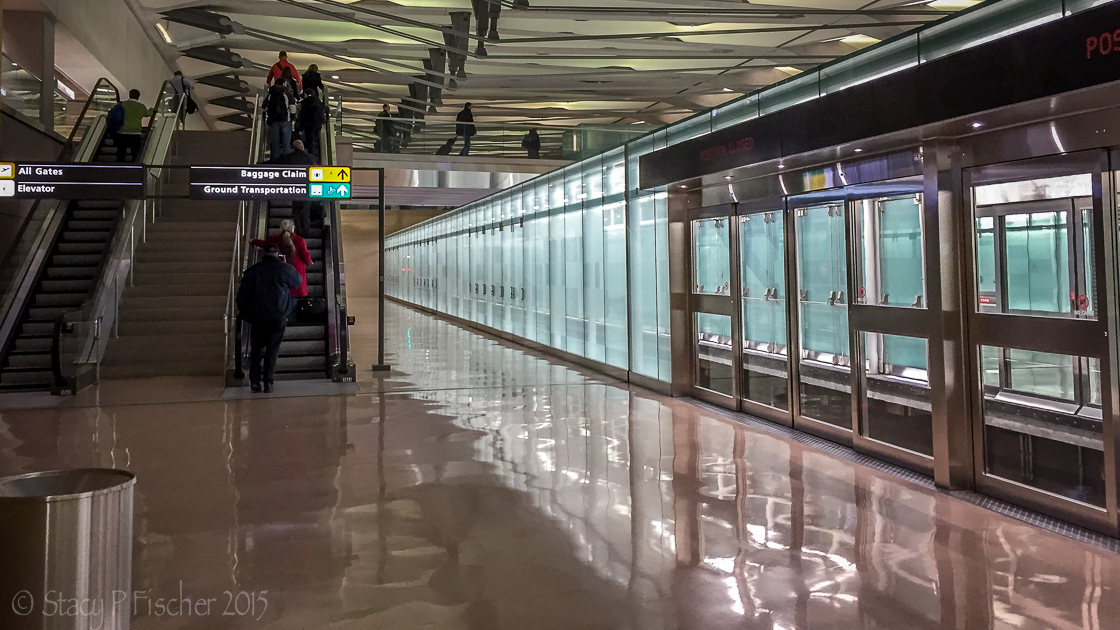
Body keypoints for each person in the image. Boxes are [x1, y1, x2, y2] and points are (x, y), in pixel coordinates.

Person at [236, 242, 302, 393]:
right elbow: (297, 282)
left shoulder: (253, 271)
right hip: (278, 317)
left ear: (263, 255)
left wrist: (246, 313)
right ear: (278, 254)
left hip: (257, 318)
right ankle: (268, 383)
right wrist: (286, 264)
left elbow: (241, 297)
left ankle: (255, 381)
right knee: (272, 350)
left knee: (256, 350)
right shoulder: (284, 269)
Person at [251, 219, 312, 301]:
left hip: (280, 269)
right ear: (292, 228)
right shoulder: (299, 240)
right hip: (296, 270)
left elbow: (265, 244)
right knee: (296, 295)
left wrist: (253, 241)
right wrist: (309, 262)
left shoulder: (274, 239)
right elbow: (305, 256)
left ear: (281, 228)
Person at [266, 140, 318, 235]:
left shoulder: (290, 157)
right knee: (306, 210)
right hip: (308, 189)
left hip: (295, 189)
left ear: (293, 148)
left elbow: (275, 162)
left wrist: (260, 164)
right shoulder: (310, 158)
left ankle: (298, 229)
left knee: (296, 210)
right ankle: (306, 230)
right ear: (302, 147)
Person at [109, 89, 153, 162]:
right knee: (135, 151)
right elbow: (147, 114)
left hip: (122, 131)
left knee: (121, 150)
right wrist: (152, 109)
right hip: (135, 132)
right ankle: (134, 166)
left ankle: (119, 165)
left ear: (129, 95)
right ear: (138, 97)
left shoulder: (122, 104)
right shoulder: (141, 106)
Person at [264, 77, 294, 158]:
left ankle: (275, 160)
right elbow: (292, 108)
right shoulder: (287, 93)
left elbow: (264, 106)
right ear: (284, 83)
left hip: (273, 121)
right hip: (285, 120)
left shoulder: (271, 93)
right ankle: (286, 160)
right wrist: (292, 118)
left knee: (275, 143)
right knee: (286, 143)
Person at [298, 86, 328, 159]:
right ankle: (317, 154)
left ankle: (311, 154)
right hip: (318, 123)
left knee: (309, 139)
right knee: (316, 137)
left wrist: (300, 128)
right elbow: (326, 109)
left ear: (305, 94)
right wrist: (325, 119)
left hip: (308, 124)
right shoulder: (318, 101)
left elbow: (302, 115)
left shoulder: (305, 102)